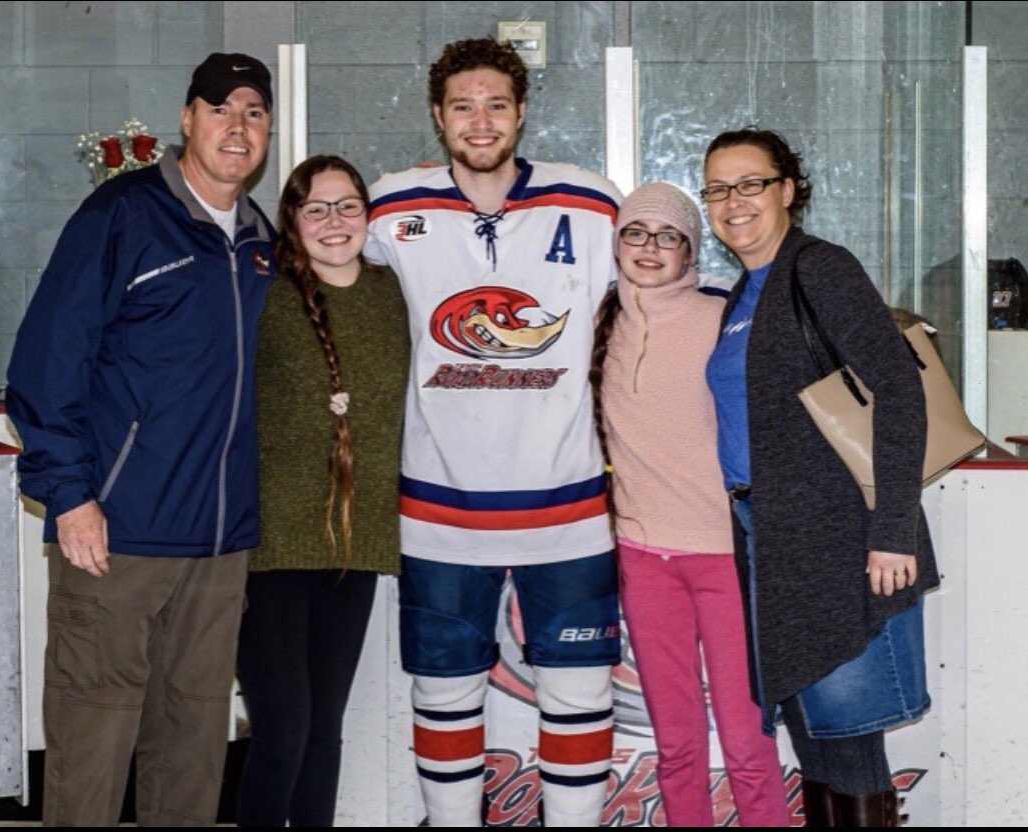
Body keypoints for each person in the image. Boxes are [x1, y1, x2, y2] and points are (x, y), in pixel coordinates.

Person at [4, 52, 274, 827]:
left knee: (191, 749)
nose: (236, 126)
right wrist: (70, 496)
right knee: (93, 739)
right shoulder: (120, 216)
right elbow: (44, 364)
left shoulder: (259, 241)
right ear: (186, 119)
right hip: (116, 534)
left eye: (253, 112)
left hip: (219, 546)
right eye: (220, 109)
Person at [365, 37, 622, 827]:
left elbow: (662, 286)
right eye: (463, 106)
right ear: (438, 117)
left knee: (578, 692)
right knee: (443, 690)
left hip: (569, 511)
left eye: (496, 105)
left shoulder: (591, 202)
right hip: (439, 512)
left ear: (520, 113)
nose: (480, 122)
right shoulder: (391, 206)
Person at [702, 127, 936, 827]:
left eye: (749, 184)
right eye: (717, 189)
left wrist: (892, 531)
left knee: (846, 736)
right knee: (813, 737)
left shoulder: (818, 268)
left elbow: (898, 389)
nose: (732, 202)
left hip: (842, 541)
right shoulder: (744, 292)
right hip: (771, 544)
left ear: (787, 189)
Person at [591, 182, 790, 827]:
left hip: (725, 557)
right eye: (636, 233)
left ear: (690, 251)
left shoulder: (721, 319)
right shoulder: (594, 322)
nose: (651, 248)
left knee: (747, 743)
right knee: (677, 747)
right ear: (616, 243)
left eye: (669, 236)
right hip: (644, 561)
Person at [235, 155, 408, 827]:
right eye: (316, 209)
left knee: (324, 727)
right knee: (283, 730)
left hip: (355, 540)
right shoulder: (266, 296)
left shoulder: (395, 293)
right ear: (292, 221)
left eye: (348, 207)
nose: (334, 223)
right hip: (271, 543)